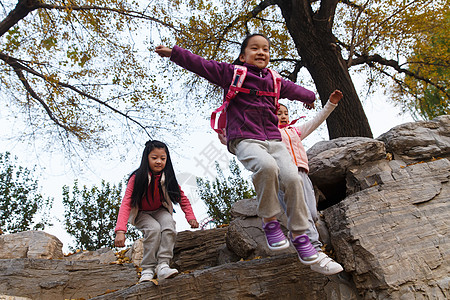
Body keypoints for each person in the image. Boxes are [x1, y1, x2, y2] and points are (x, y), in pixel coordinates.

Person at [156, 33, 321, 266]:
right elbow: (202, 65)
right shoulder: (232, 73)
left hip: (273, 140)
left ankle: (300, 234)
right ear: (243, 56)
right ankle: (270, 221)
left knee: (293, 178)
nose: (261, 52)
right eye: (255, 48)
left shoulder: (274, 80)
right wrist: (175, 53)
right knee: (266, 167)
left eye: (266, 49)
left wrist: (310, 96)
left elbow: (293, 88)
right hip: (244, 139)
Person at [277, 90, 344, 275]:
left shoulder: (295, 131)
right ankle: (313, 252)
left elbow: (316, 121)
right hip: (284, 176)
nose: (282, 116)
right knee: (303, 214)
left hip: (302, 173)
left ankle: (302, 242)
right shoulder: (268, 134)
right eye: (278, 113)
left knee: (312, 214)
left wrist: (331, 104)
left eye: (285, 113)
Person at [114, 140, 199, 283]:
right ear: (146, 158)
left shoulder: (168, 177)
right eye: (154, 158)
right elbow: (126, 203)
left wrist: (190, 217)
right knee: (153, 229)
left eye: (163, 158)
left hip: (160, 210)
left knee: (168, 225)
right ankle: (147, 269)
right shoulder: (137, 178)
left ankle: (163, 265)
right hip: (141, 213)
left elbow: (182, 198)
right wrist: (120, 230)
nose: (159, 161)